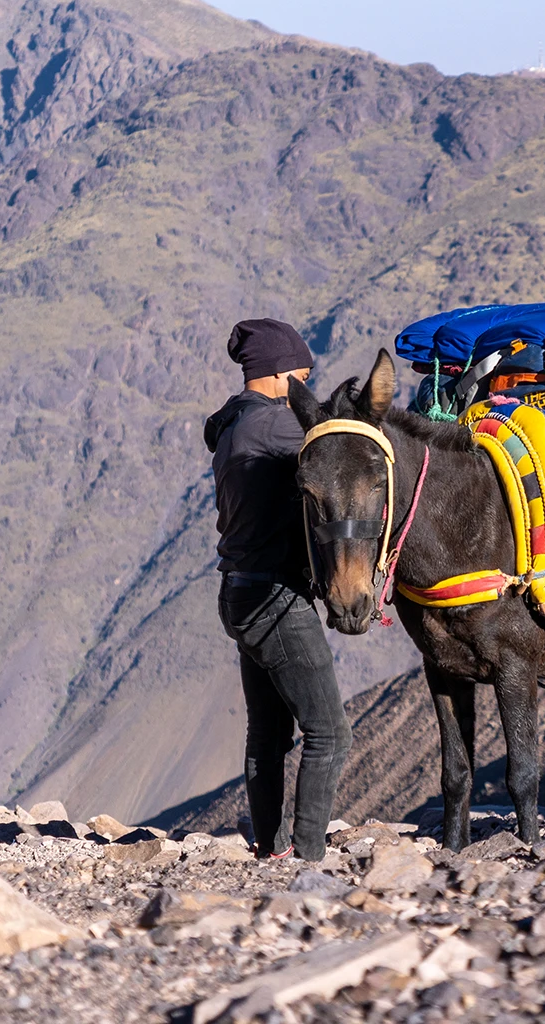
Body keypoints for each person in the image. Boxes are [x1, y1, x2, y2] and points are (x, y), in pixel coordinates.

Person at [202, 318, 349, 860]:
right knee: (329, 735)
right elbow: (337, 444)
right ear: (278, 374)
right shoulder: (272, 426)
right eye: (304, 377)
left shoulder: (235, 423)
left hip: (238, 592)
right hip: (275, 601)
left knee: (268, 733)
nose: (306, 389)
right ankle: (308, 857)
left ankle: (272, 846)